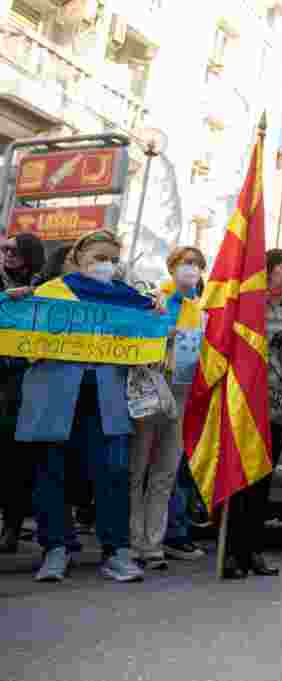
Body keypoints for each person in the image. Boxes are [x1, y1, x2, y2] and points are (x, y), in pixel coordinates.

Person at [18, 230, 156, 583]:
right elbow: (22, 333)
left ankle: (117, 552)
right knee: (52, 472)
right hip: (56, 395)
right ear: (79, 258)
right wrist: (13, 302)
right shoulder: (49, 294)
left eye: (111, 258)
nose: (105, 265)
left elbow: (150, 335)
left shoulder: (130, 300)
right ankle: (55, 549)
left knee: (113, 473)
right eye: (98, 257)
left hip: (106, 398)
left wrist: (159, 318)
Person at [221, 249, 282, 579]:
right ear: (267, 270)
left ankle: (253, 551)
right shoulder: (247, 303)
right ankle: (232, 552)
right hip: (247, 401)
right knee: (242, 479)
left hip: (279, 406)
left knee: (264, 480)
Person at [128, 247, 207, 570]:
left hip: (182, 392)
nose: (191, 270)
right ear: (172, 266)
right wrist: (166, 334)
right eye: (185, 263)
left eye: (197, 265)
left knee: (165, 472)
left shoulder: (199, 310)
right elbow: (137, 335)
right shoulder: (155, 298)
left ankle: (153, 544)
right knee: (138, 468)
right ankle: (133, 542)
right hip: (151, 386)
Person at [0, 233, 46, 553]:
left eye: (15, 250)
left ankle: (12, 527)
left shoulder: (46, 289)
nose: (8, 254)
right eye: (4, 249)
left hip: (28, 384)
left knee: (17, 460)